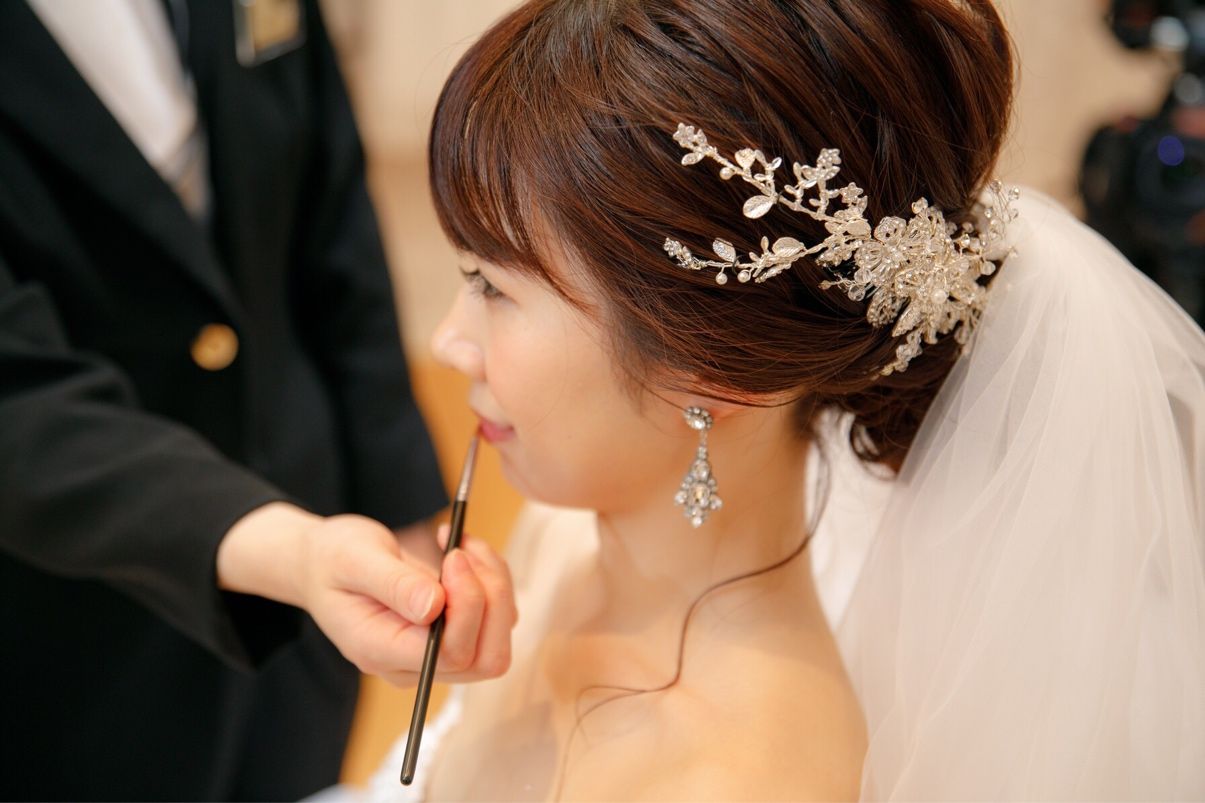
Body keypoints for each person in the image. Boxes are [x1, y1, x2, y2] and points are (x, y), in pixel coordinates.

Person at [359, 0, 1205, 799]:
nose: (448, 340)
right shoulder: (563, 537)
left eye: (492, 286)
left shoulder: (745, 776)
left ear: (707, 367)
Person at [0, 1, 516, 800]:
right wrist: (291, 552)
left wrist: (400, 499)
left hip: (310, 573)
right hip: (73, 619)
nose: (453, 340)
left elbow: (332, 211)